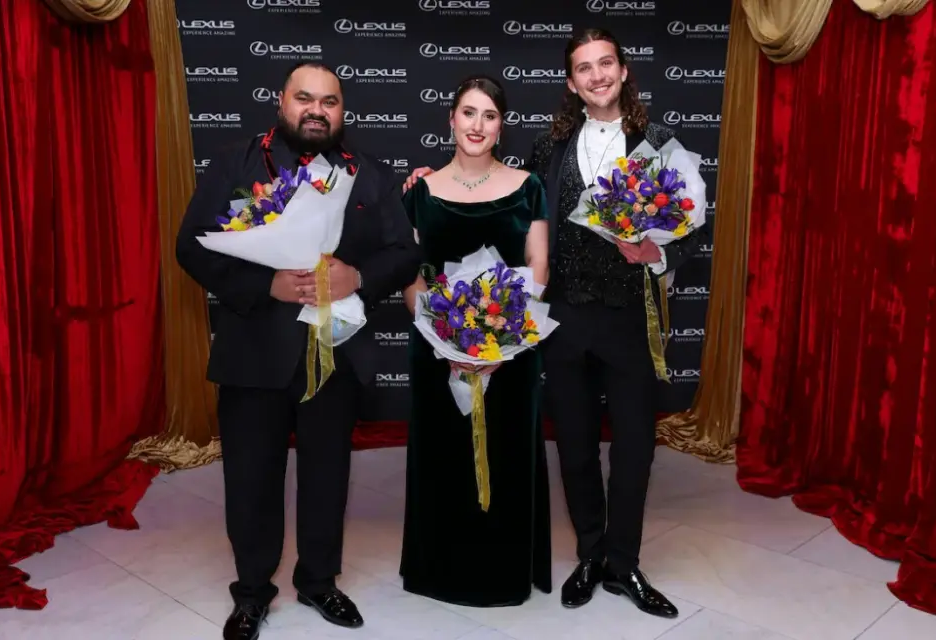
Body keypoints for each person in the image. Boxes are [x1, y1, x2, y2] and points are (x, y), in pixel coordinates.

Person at [404, 29, 707, 618]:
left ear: (623, 72)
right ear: (571, 83)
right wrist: (423, 181)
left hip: (628, 319)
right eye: (583, 68)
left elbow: (694, 226)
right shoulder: (548, 149)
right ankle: (591, 554)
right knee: (572, 447)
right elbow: (498, 195)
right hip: (562, 319)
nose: (596, 76)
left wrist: (658, 252)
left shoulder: (662, 143)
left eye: (605, 64)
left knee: (637, 448)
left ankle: (625, 563)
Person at [176, 62, 421, 640]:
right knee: (251, 478)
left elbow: (403, 254)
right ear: (282, 104)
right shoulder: (237, 163)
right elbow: (191, 247)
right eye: (304, 98)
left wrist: (356, 277)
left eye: (329, 101)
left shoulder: (369, 175)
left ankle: (318, 582)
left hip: (331, 355)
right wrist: (266, 285)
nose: (317, 110)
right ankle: (252, 593)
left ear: (342, 111)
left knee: (327, 475)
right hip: (253, 352)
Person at [398, 75, 553, 608]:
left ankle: (504, 572)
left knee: (508, 457)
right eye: (468, 113)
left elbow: (538, 268)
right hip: (434, 349)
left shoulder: (528, 185)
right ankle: (439, 569)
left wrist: (497, 342)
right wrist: (445, 341)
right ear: (451, 119)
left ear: (500, 124)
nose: (477, 125)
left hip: (511, 350)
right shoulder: (419, 190)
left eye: (489, 115)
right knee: (443, 459)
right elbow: (411, 277)